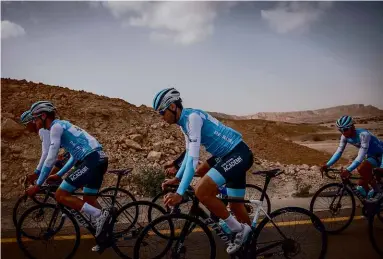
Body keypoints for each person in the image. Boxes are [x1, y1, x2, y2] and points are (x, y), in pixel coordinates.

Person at [153, 88, 254, 254]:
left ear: (172, 106)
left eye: (162, 112)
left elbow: (193, 160)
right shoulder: (184, 123)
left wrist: (179, 193)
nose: (161, 117)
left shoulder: (192, 118)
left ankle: (240, 230)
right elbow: (187, 157)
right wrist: (178, 179)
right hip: (229, 155)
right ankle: (250, 244)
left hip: (237, 153)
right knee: (235, 206)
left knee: (202, 190)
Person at [24, 101, 109, 239]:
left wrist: (38, 184)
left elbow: (50, 157)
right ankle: (108, 231)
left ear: (43, 116)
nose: (34, 122)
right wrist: (59, 174)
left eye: (34, 118)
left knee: (60, 195)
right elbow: (74, 157)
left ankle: (101, 216)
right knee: (88, 200)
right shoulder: (62, 124)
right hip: (100, 159)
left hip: (92, 160)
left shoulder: (55, 127)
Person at [320, 115, 383, 198]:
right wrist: (327, 165)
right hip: (373, 155)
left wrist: (348, 170)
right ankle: (372, 200)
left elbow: (360, 156)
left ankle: (378, 192)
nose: (343, 132)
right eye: (340, 130)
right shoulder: (344, 137)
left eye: (345, 129)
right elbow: (339, 152)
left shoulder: (363, 135)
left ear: (353, 127)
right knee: (361, 183)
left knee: (368, 170)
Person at [20, 110, 73, 185]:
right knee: (53, 173)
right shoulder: (43, 129)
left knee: (48, 178)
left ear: (32, 122)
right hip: (71, 151)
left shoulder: (43, 130)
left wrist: (36, 172)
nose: (26, 128)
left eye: (26, 125)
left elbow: (46, 153)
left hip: (74, 152)